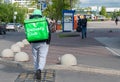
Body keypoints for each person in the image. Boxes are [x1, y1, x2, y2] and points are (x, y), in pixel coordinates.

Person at [29, 9, 51, 80]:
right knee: (42, 57)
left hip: (34, 42)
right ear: (40, 15)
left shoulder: (30, 22)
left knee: (35, 57)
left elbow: (27, 33)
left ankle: (36, 70)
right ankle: (39, 69)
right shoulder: (44, 21)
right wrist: (48, 41)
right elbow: (48, 32)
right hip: (43, 41)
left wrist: (30, 41)